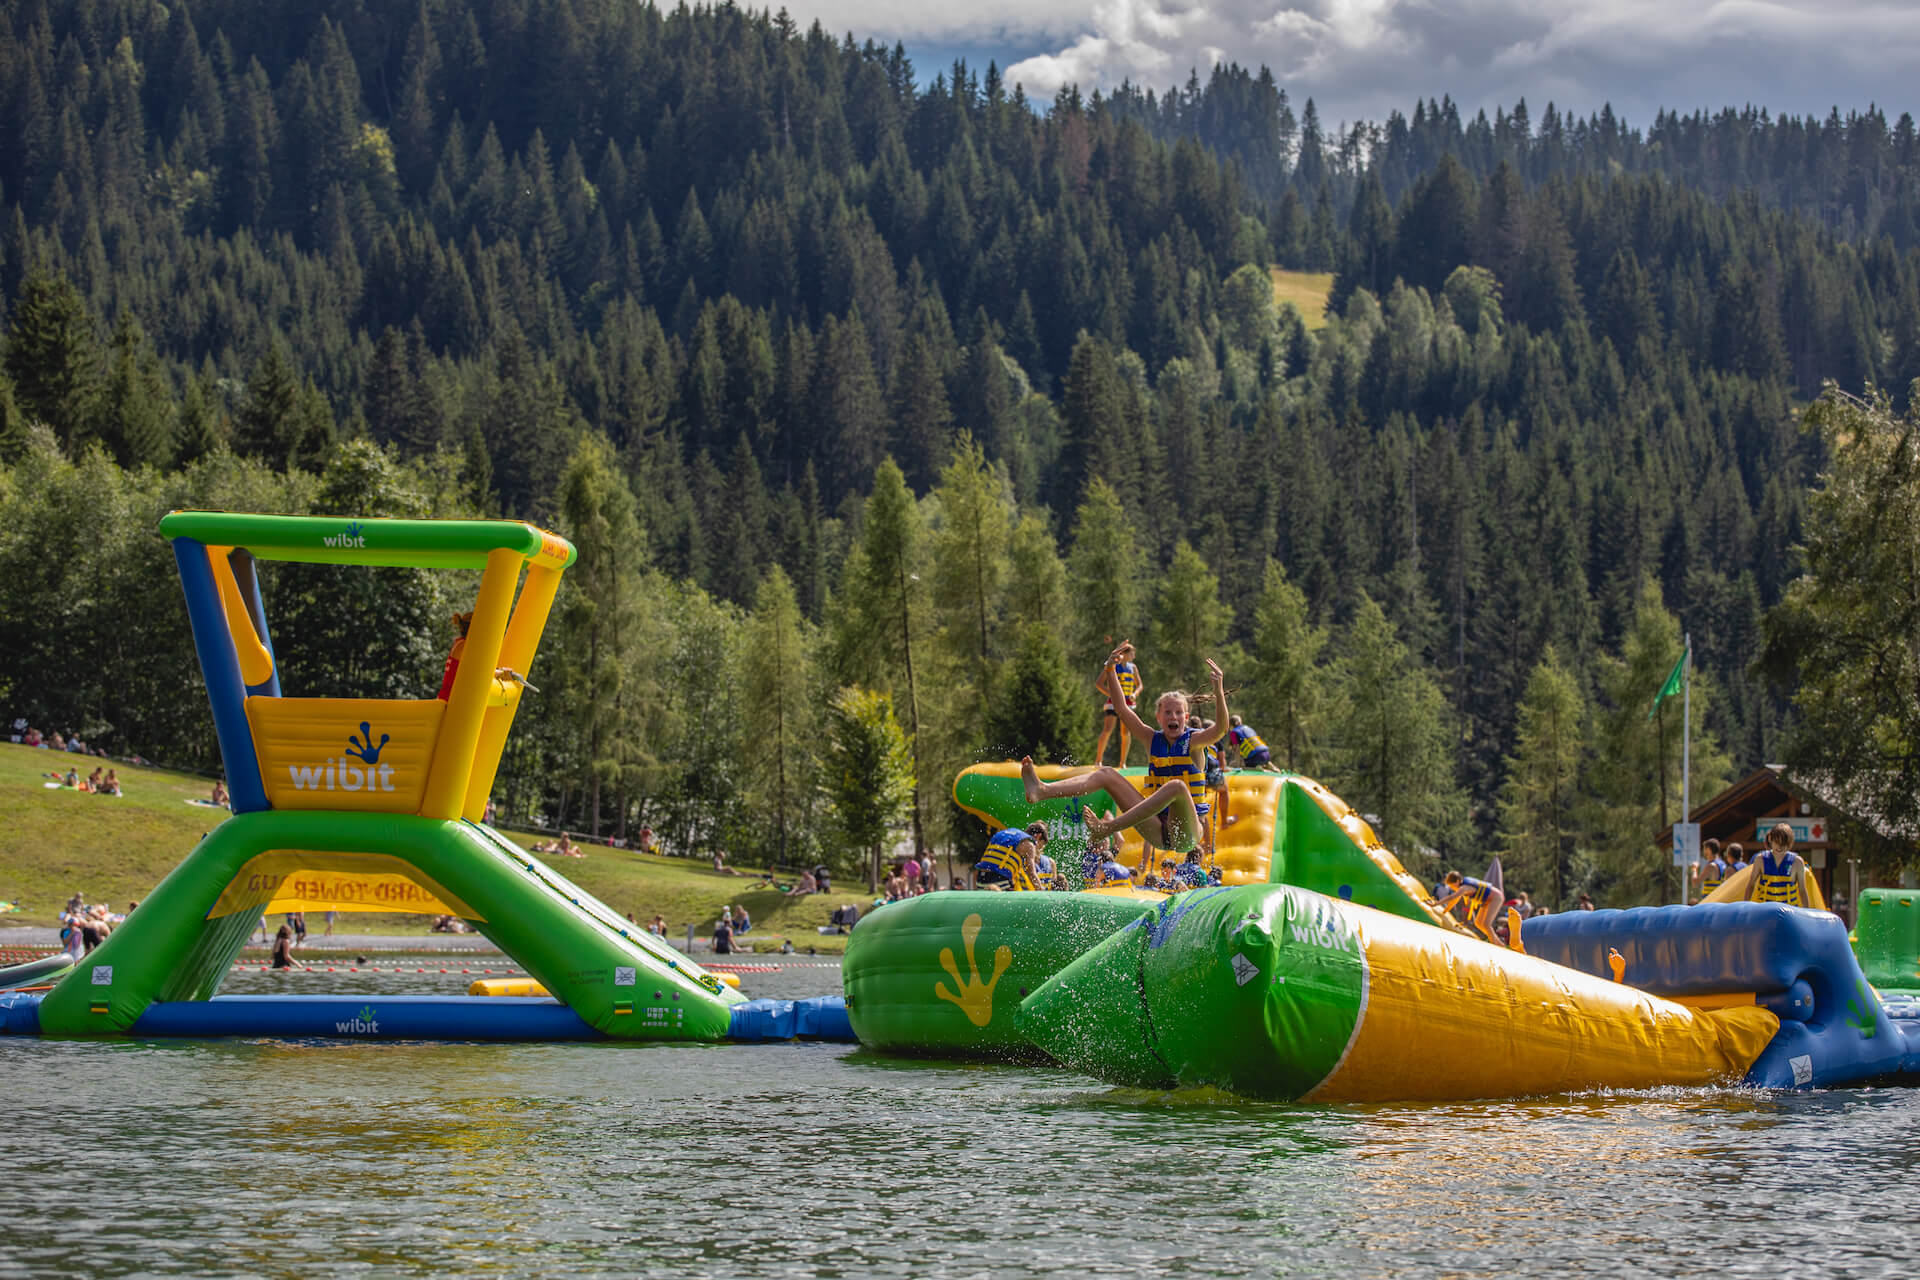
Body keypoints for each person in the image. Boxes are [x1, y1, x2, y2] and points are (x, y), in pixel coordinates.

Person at [1022, 649, 1231, 855]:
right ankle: (1042, 791)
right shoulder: (1151, 739)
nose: (1172, 717)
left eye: (1178, 713)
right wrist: (1111, 670)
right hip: (1157, 828)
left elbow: (1221, 729)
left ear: (1186, 717)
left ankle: (1107, 828)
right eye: (1167, 712)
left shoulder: (1193, 742)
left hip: (1187, 834)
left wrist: (1218, 690)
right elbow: (1121, 709)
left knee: (1176, 787)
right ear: (1158, 717)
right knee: (1106, 774)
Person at [1093, 641, 1144, 768]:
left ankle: (1123, 762)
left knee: (1126, 732)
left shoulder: (1133, 667)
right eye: (1132, 653)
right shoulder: (1113, 665)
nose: (1134, 656)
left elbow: (1140, 685)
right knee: (1108, 729)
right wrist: (1111, 694)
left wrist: (1135, 694)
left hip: (1128, 702)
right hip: (1113, 702)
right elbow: (1099, 683)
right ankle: (1098, 760)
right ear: (1125, 654)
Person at [1433, 870, 1502, 943]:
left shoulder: (1464, 888)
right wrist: (1445, 911)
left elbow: (1452, 897)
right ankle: (1499, 943)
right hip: (1488, 900)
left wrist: (1436, 904)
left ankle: (1494, 944)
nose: (1452, 888)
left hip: (1495, 897)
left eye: (1452, 886)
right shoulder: (1462, 886)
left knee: (1486, 924)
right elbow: (1454, 901)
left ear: (1457, 881)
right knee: (1478, 923)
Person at [976, 821, 1047, 891]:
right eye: (1041, 845)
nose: (1038, 850)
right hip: (999, 879)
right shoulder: (1029, 845)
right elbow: (1031, 873)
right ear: (1038, 836)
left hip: (980, 878)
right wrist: (1041, 892)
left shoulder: (1004, 834)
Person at [1749, 822, 1807, 906]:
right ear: (1770, 839)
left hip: (1788, 912)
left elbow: (1802, 891)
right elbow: (1751, 885)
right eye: (1777, 842)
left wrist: (1806, 913)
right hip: (1765, 911)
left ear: (1789, 843)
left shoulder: (1797, 862)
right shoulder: (1760, 860)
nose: (1779, 846)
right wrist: (1745, 906)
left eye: (1783, 843)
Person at [1693, 837, 1728, 903]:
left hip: (1710, 902)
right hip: (1720, 899)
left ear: (1708, 849)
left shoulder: (1711, 866)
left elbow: (1695, 883)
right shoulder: (1723, 864)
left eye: (1704, 849)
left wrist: (1694, 868)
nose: (1703, 851)